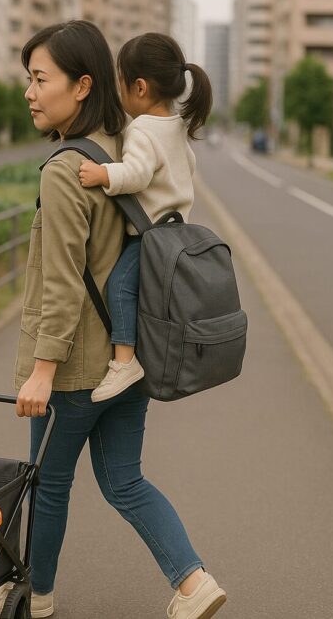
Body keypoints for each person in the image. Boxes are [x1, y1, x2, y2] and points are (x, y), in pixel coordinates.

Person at [0, 21, 227, 619]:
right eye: (28, 80)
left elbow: (62, 282)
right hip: (130, 360)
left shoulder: (65, 170)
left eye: (40, 79)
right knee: (124, 480)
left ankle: (35, 597)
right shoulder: (125, 146)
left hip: (74, 372)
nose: (30, 93)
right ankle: (193, 581)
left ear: (83, 85)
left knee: (48, 484)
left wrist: (43, 371)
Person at [78, 32, 213, 403]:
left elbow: (136, 174)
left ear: (139, 87)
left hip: (148, 236)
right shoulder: (177, 125)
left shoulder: (141, 128)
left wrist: (103, 174)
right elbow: (188, 165)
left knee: (120, 286)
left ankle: (124, 362)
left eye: (120, 82)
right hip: (176, 232)